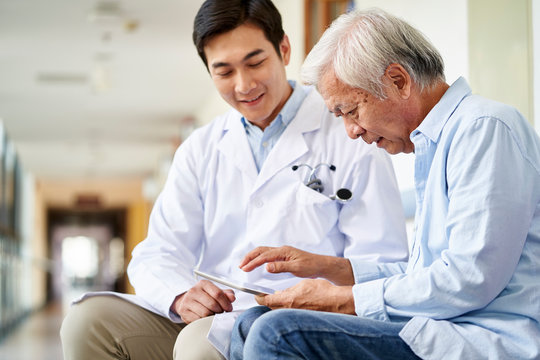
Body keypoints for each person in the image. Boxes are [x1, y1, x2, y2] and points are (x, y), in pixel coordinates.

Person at [60, 2, 409, 360]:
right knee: (88, 322)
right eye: (224, 71)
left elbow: (381, 259)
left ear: (284, 49)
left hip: (306, 318)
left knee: (200, 345)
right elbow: (158, 253)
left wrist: (324, 286)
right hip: (217, 315)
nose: (244, 85)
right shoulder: (200, 149)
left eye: (255, 63)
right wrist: (181, 296)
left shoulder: (351, 132)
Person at [230, 8, 540, 360]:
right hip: (443, 327)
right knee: (252, 321)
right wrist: (327, 268)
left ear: (398, 81)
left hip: (484, 340)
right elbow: (426, 274)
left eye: (351, 111)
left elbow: (468, 280)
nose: (351, 131)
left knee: (278, 333)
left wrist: (344, 301)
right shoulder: (435, 146)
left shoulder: (484, 128)